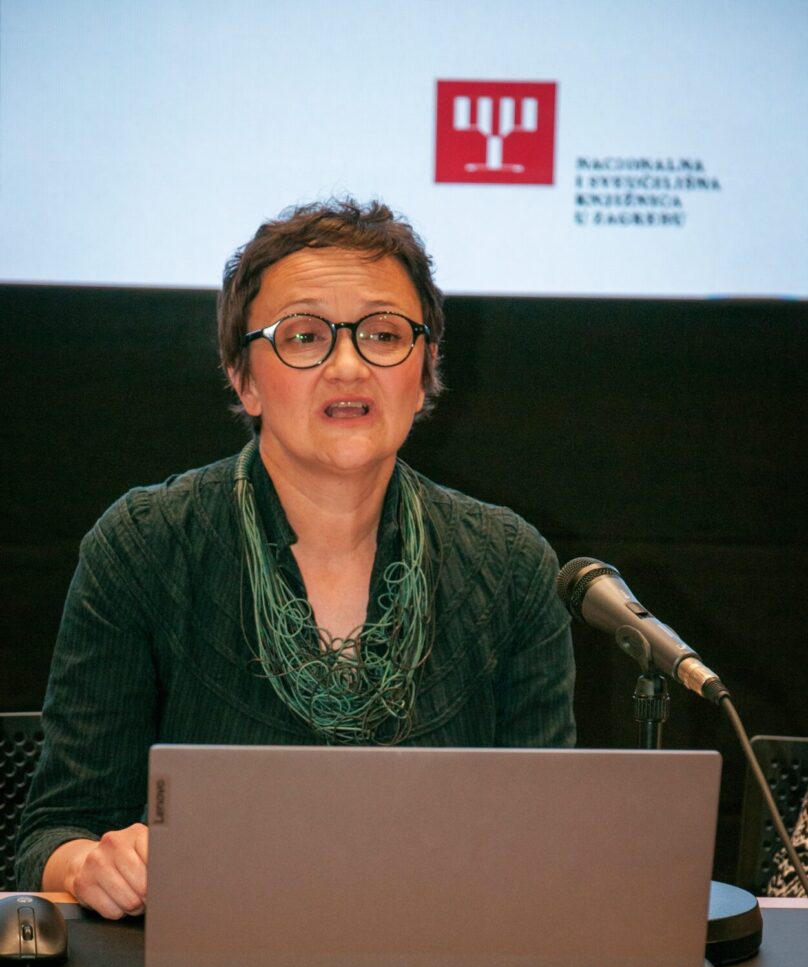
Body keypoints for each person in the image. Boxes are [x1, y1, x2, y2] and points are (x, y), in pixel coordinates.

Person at [16, 198, 575, 919]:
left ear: (425, 368)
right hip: (210, 963)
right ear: (243, 378)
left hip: (441, 960)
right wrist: (94, 863)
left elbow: (547, 841)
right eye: (304, 336)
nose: (348, 366)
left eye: (383, 334)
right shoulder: (146, 546)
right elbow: (54, 833)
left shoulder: (509, 566)